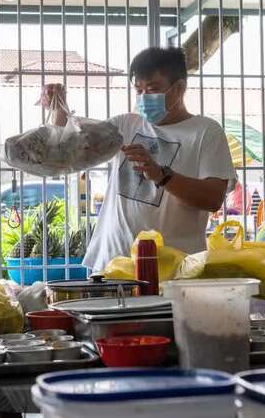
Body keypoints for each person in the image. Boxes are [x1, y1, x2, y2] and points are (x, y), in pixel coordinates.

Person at [47, 47, 236, 271]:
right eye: (138, 90)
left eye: (153, 89)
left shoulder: (205, 132)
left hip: (174, 272)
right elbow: (67, 148)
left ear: (179, 88)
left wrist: (162, 176)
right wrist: (58, 108)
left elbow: (213, 199)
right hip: (112, 266)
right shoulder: (125, 125)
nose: (144, 98)